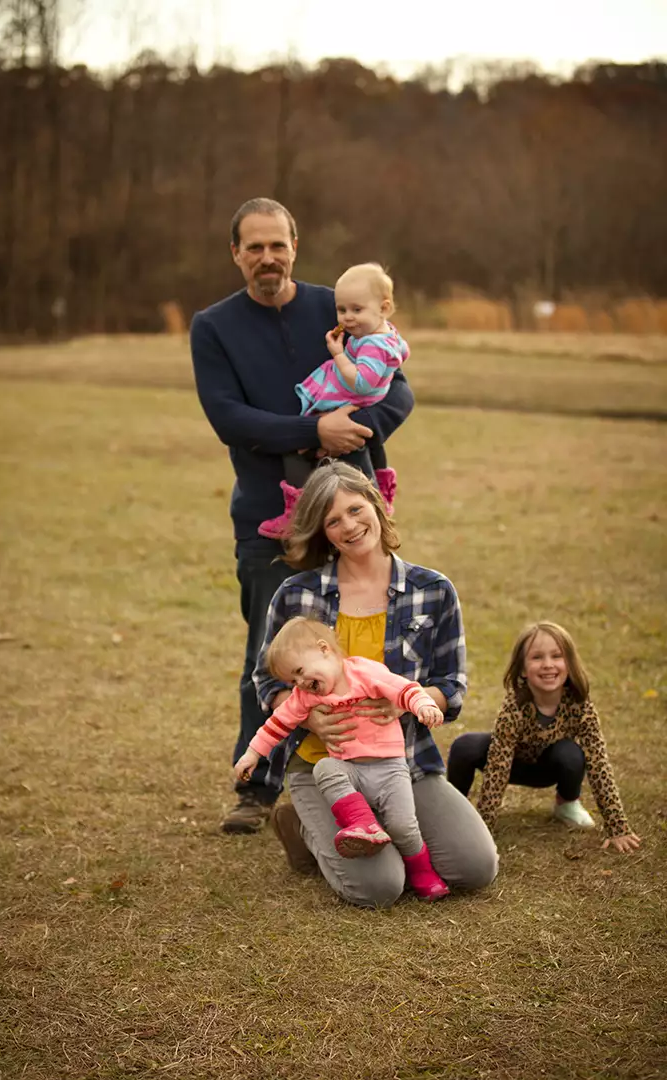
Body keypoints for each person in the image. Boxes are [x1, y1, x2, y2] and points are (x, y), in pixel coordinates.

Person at [190, 198, 414, 835]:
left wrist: (354, 432)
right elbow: (228, 417)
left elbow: (399, 388)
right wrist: (312, 428)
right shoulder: (214, 326)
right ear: (236, 253)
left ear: (295, 245)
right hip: (270, 516)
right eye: (254, 247)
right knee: (273, 653)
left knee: (366, 646)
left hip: (353, 508)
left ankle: (378, 773)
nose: (268, 258)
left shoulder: (338, 304)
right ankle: (255, 790)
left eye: (278, 245)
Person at [253, 460, 499, 909]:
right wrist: (311, 719)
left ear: (376, 504)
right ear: (322, 532)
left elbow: (452, 683)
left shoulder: (433, 589)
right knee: (381, 887)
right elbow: (264, 679)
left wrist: (408, 703)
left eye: (354, 509)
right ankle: (303, 823)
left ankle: (371, 835)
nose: (348, 526)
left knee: (475, 867)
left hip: (401, 761)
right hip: (326, 770)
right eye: (332, 520)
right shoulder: (296, 594)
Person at [235, 617, 449, 900]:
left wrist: (424, 704)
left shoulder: (365, 672)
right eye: (292, 680)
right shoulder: (304, 696)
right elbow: (277, 723)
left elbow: (403, 689)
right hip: (348, 769)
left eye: (300, 671)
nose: (300, 683)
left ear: (324, 649)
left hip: (389, 768)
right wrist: (252, 753)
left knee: (403, 827)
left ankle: (422, 871)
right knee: (325, 767)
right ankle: (362, 823)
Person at [447, 621, 641, 853]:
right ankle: (454, 811)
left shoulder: (580, 703)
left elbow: (599, 763)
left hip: (550, 768)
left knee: (572, 753)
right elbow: (498, 766)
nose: (548, 665)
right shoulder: (515, 704)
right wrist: (485, 829)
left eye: (557, 656)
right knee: (465, 745)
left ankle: (567, 803)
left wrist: (618, 827)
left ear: (569, 663)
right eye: (537, 657)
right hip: (513, 764)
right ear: (522, 668)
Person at [258, 262, 408, 539]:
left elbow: (361, 381)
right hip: (363, 400)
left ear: (384, 308)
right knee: (370, 450)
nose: (347, 318)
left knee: (297, 446)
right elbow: (402, 354)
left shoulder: (372, 345)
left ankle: (297, 514)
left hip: (349, 397)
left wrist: (338, 354)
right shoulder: (386, 334)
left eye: (357, 310)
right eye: (342, 310)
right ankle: (381, 496)